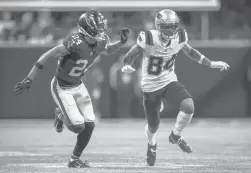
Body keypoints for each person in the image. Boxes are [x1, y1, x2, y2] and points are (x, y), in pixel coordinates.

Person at [14, 10, 129, 168]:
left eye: (102, 27)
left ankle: (74, 159)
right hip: (62, 87)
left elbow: (108, 50)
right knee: (77, 127)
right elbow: (47, 55)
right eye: (98, 28)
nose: (102, 31)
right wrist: (29, 78)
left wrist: (121, 43)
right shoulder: (74, 42)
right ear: (87, 29)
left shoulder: (101, 40)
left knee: (90, 125)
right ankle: (60, 115)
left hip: (78, 85)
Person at [121, 9, 230, 166]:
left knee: (188, 106)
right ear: (158, 26)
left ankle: (175, 135)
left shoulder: (180, 36)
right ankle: (152, 144)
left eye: (173, 26)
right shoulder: (149, 37)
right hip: (150, 86)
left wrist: (211, 63)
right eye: (166, 27)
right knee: (153, 125)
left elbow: (190, 52)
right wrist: (126, 65)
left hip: (168, 80)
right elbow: (132, 53)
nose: (170, 30)